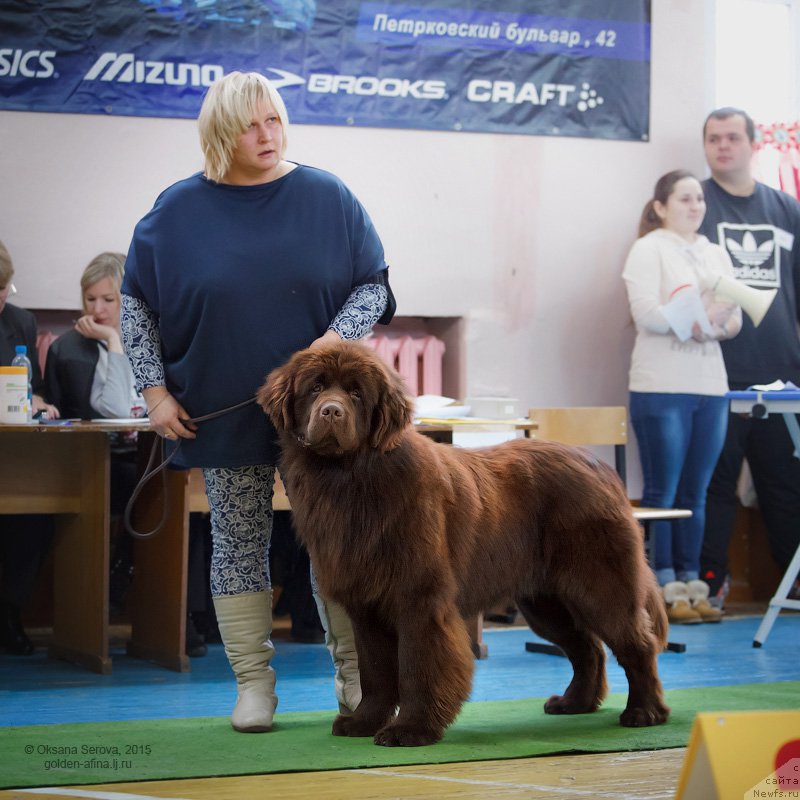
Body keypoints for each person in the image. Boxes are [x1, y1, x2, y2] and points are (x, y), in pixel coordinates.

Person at [120, 71, 394, 733]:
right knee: (236, 544)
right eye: (250, 124)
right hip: (220, 409)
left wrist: (335, 339)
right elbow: (135, 306)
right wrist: (154, 392)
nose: (267, 134)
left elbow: (374, 288)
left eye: (274, 119)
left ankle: (357, 679)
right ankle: (252, 688)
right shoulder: (176, 210)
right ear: (221, 131)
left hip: (323, 423)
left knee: (335, 546)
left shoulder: (327, 196)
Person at [623, 170, 742, 624]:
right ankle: (664, 586)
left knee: (698, 491)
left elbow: (734, 319)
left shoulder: (713, 252)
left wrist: (715, 323)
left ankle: (695, 583)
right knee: (663, 490)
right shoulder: (649, 248)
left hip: (711, 385)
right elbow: (646, 314)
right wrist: (692, 317)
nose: (695, 206)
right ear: (661, 207)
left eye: (699, 200)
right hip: (662, 383)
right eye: (685, 199)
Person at [699, 107, 800, 607]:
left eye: (732, 137)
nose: (723, 146)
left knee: (785, 485)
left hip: (781, 377)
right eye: (713, 138)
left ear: (753, 143)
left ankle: (791, 583)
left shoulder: (786, 209)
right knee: (716, 485)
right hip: (716, 376)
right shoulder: (697, 204)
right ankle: (710, 583)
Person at [0, 239, 59, 655]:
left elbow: (31, 390)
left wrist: (37, 401)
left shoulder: (19, 321)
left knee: (36, 514)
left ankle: (9, 612)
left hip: (15, 453)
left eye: (2, 288)